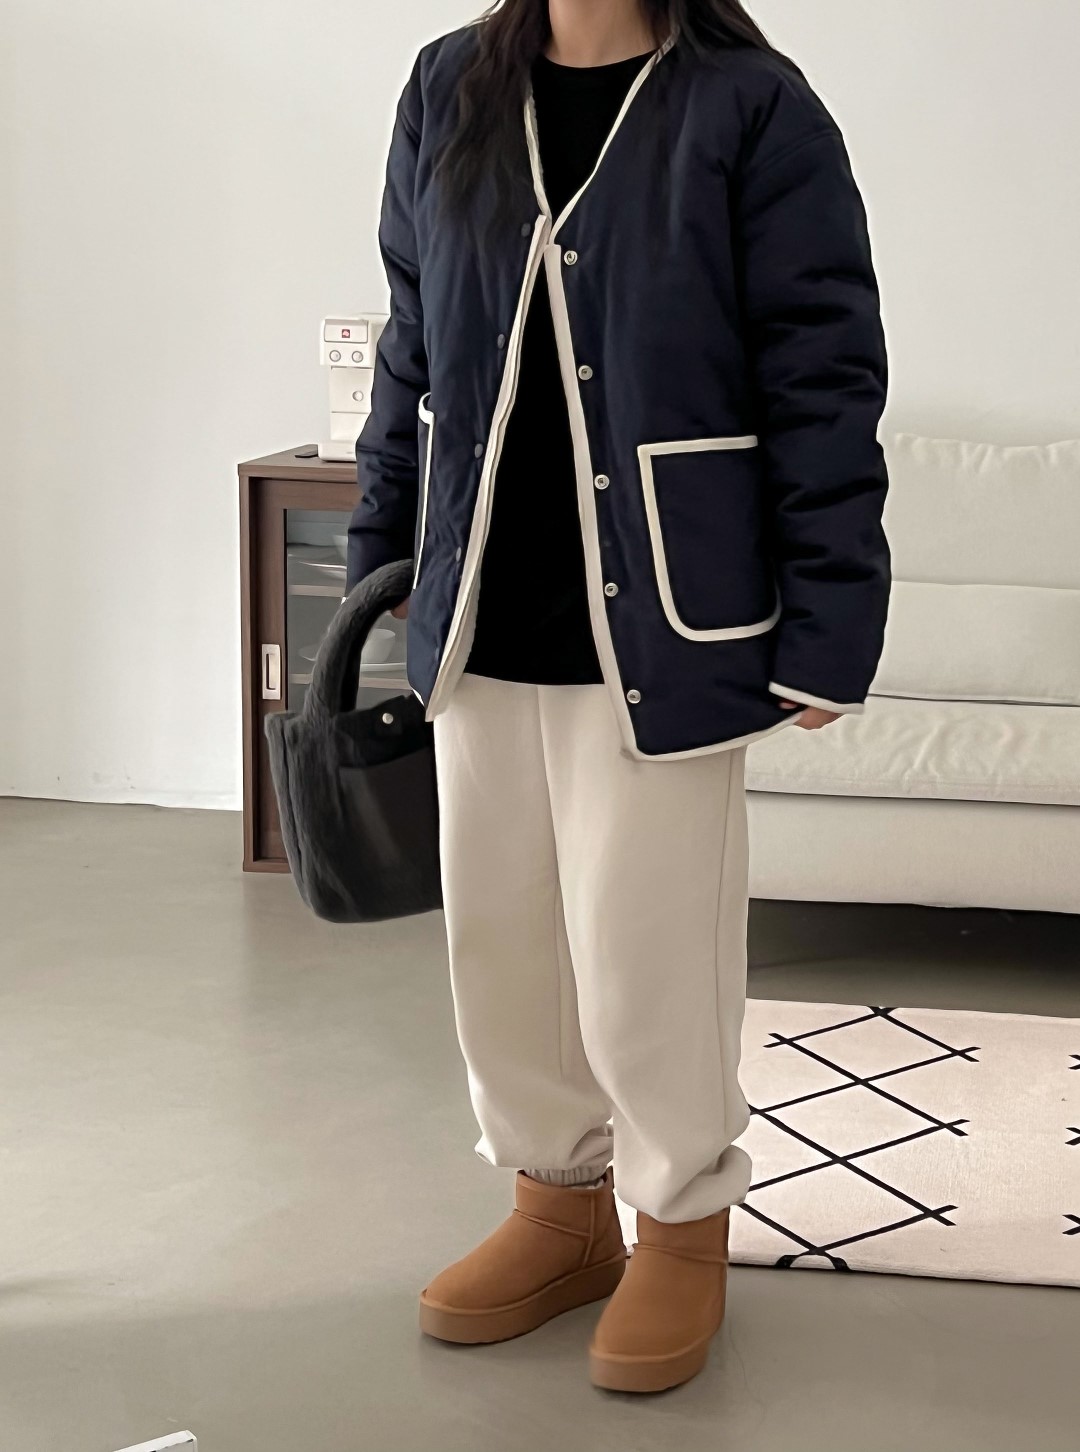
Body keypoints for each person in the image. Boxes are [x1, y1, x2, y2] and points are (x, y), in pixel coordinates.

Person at [346, 0, 890, 1394]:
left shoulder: (750, 105)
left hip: (665, 611)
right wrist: (382, 546)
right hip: (479, 601)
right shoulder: (447, 87)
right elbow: (412, 338)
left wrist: (829, 619)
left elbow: (822, 372)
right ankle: (557, 1209)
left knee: (651, 955)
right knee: (504, 941)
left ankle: (682, 1224)